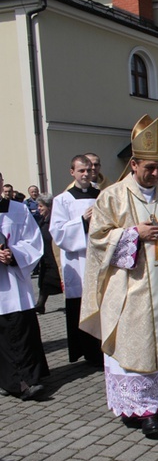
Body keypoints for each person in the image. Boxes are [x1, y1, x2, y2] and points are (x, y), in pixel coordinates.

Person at [79, 115, 158, 439]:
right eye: (150, 168)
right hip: (130, 290)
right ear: (133, 163)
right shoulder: (112, 197)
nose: (156, 174)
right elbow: (98, 241)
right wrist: (133, 233)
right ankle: (144, 410)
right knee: (137, 348)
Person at [50, 155, 103, 366]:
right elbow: (58, 232)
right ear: (72, 172)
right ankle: (86, 350)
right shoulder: (62, 200)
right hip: (77, 261)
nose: (86, 174)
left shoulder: (102, 195)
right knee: (81, 305)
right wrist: (82, 221)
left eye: (89, 170)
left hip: (100, 258)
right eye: (81, 170)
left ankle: (102, 349)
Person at [0, 171, 48, 401]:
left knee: (21, 332)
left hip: (15, 283)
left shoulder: (18, 210)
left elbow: (34, 241)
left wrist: (13, 254)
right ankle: (11, 381)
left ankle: (29, 379)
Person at [34, 193, 62, 314]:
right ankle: (40, 305)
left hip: (55, 257)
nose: (39, 208)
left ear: (49, 207)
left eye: (41, 206)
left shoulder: (54, 221)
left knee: (58, 281)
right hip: (45, 257)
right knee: (44, 282)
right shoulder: (42, 221)